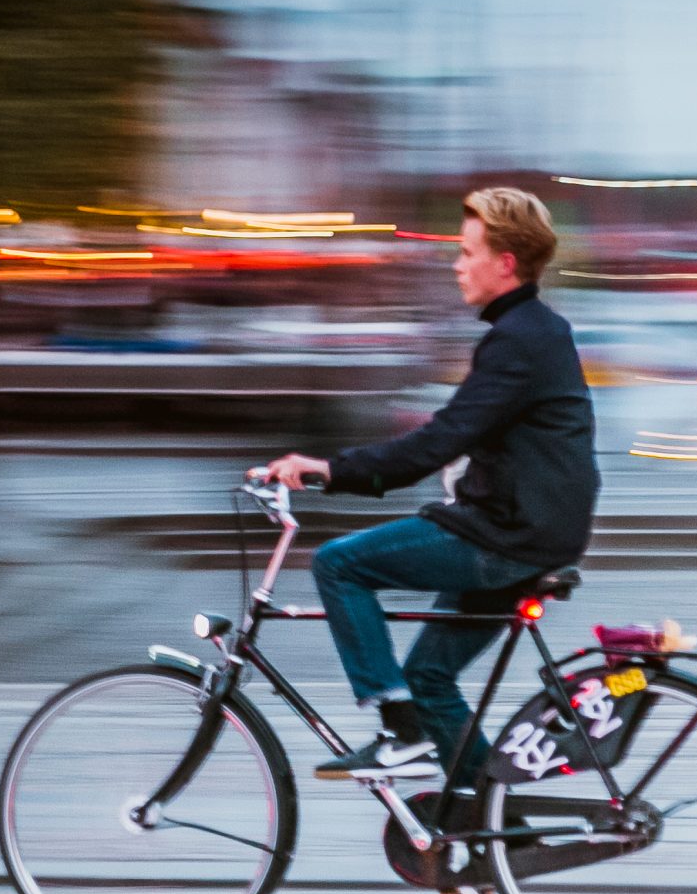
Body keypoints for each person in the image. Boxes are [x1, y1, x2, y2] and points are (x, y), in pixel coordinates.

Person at [252, 187, 598, 780]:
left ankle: (400, 729)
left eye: (467, 253)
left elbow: (440, 440)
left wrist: (331, 469)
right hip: (530, 533)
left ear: (505, 263)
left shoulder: (519, 340)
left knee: (339, 565)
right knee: (431, 678)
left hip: (504, 538)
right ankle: (488, 827)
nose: (457, 265)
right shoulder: (536, 332)